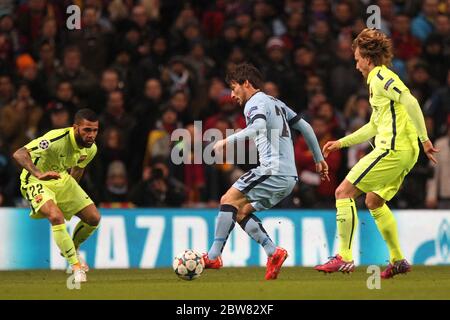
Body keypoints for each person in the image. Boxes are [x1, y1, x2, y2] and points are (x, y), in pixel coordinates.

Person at [315, 29, 439, 279]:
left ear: (368, 59)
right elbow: (374, 125)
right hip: (405, 152)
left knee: (343, 192)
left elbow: (411, 101)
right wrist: (341, 142)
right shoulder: (377, 81)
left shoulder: (380, 76)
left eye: (358, 58)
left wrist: (425, 139)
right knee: (373, 201)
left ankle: (344, 257)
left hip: (393, 149)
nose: (356, 63)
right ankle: (398, 259)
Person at [202, 63, 328, 280]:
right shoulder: (275, 102)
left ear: (246, 84)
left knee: (228, 199)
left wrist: (226, 141)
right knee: (241, 211)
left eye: (234, 88)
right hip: (289, 178)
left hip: (272, 170)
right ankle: (273, 252)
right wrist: (319, 159)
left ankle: (213, 256)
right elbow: (305, 127)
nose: (232, 95)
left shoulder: (255, 103)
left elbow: (257, 127)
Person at [12, 108, 101, 283]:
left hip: (61, 179)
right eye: (87, 130)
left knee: (93, 218)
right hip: (35, 180)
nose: (91, 135)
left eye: (95, 130)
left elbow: (78, 168)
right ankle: (76, 267)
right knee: (55, 216)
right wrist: (38, 173)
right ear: (75, 128)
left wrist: (71, 195)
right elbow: (19, 154)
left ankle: (73, 248)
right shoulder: (55, 138)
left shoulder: (91, 149)